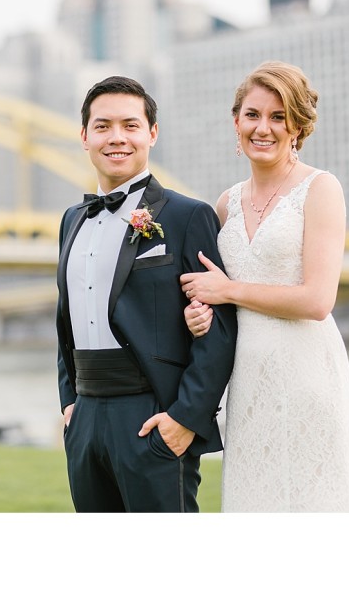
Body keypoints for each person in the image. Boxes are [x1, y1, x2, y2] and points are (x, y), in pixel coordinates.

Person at [180, 61, 349, 512]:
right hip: (246, 383)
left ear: (298, 126)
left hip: (308, 376)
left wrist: (228, 291)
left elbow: (317, 300)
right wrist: (200, 315)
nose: (262, 128)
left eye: (278, 116)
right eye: (252, 115)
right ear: (236, 122)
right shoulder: (226, 203)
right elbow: (215, 296)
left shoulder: (321, 189)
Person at [56, 75, 238, 512]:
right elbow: (68, 315)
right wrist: (69, 404)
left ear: (151, 133)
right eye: (102, 126)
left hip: (153, 414)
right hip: (85, 416)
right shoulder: (70, 219)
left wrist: (185, 419)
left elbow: (220, 330)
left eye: (130, 125)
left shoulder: (187, 216)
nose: (116, 137)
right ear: (84, 136)